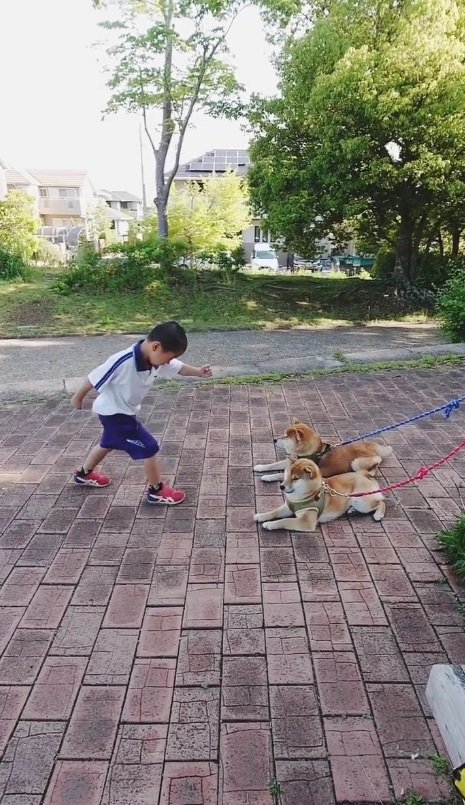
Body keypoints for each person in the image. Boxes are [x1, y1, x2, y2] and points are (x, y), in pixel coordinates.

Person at [71, 321, 212, 505]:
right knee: (149, 447)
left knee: (107, 443)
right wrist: (78, 397)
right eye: (168, 357)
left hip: (123, 412)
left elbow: (179, 368)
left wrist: (199, 372)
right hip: (115, 414)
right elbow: (93, 377)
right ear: (156, 346)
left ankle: (83, 474)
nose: (169, 362)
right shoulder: (123, 360)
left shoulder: (156, 358)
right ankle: (156, 491)